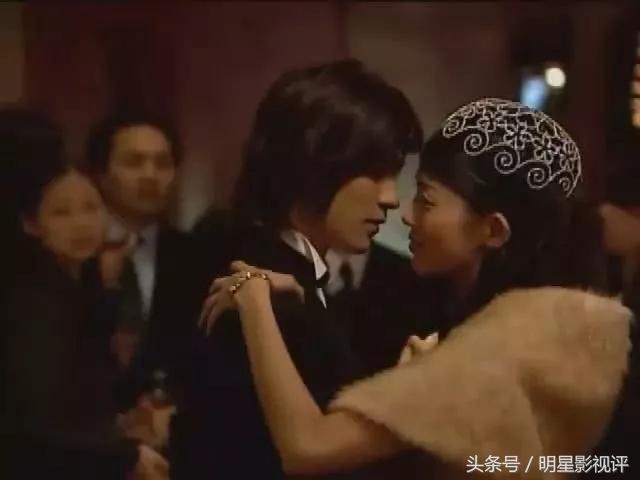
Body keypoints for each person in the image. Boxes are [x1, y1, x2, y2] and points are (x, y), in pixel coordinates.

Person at [203, 98, 632, 479]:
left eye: (425, 200)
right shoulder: (547, 322)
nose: (406, 215)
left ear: (492, 230)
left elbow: (307, 447)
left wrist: (255, 300)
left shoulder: (496, 345)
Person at [173, 59, 423, 480]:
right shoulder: (259, 279)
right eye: (374, 173)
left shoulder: (291, 275)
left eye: (393, 176)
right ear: (314, 165)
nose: (390, 198)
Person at [0, 165, 168, 479]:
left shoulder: (78, 290)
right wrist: (126, 456)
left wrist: (123, 423)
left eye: (91, 207)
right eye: (61, 212)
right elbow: (35, 426)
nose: (81, 224)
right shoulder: (32, 302)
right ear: (30, 224)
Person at [85, 112, 190, 415]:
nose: (150, 175)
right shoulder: (76, 250)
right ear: (101, 173)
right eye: (134, 162)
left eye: (163, 164)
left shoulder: (196, 254)